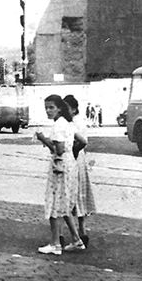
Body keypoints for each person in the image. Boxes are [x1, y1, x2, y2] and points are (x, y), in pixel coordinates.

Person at [35, 94, 85, 255]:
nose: (48, 111)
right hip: (70, 164)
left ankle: (55, 243)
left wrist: (43, 138)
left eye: (51, 107)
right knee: (64, 204)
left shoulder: (58, 126)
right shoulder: (68, 123)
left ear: (59, 108)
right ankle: (77, 240)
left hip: (60, 166)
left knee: (54, 203)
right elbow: (82, 141)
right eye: (46, 108)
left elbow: (58, 149)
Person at [64, 94, 96, 247]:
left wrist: (73, 153)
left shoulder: (74, 123)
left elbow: (82, 142)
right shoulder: (78, 121)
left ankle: (77, 234)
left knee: (72, 195)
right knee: (80, 195)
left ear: (74, 109)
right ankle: (82, 231)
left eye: (67, 108)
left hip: (75, 158)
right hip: (80, 158)